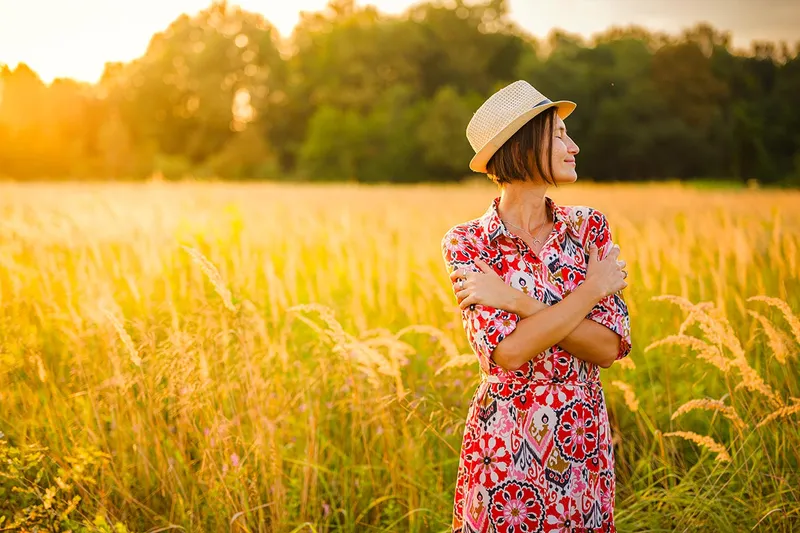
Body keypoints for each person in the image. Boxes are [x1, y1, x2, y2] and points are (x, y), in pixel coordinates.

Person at [441, 80, 632, 532]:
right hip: (505, 442)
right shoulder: (468, 242)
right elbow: (506, 353)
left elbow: (606, 347)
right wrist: (590, 291)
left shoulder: (589, 228)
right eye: (560, 135)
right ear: (523, 144)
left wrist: (512, 300)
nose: (575, 146)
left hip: (581, 437)